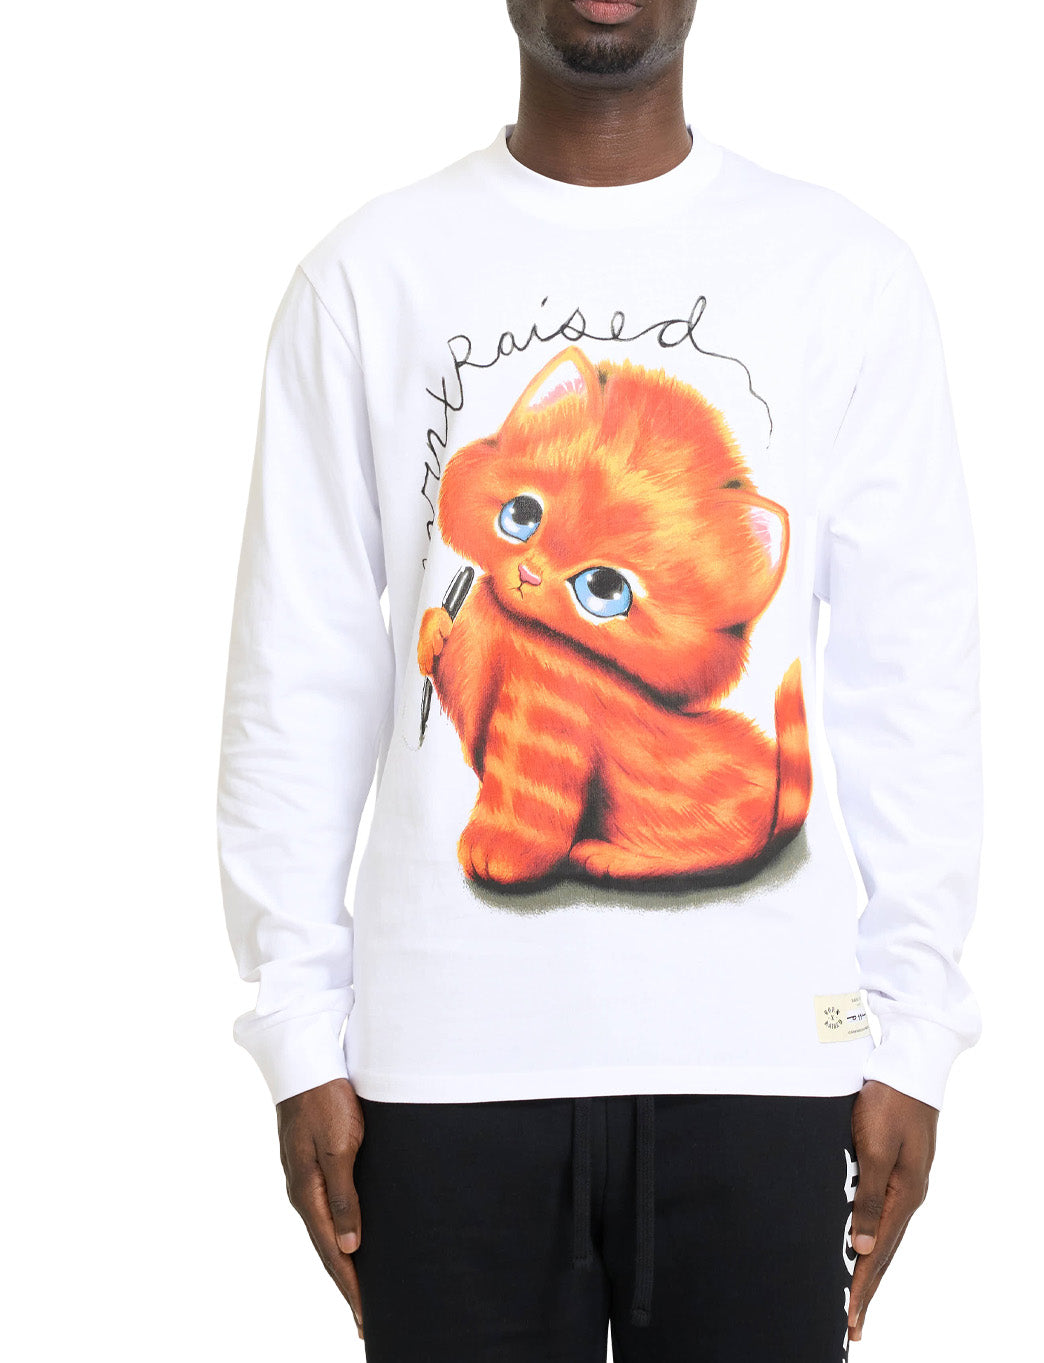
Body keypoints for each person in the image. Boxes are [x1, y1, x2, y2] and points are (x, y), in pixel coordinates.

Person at [216, 1, 984, 1358]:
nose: (532, 575)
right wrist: (298, 1025)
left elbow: (912, 676)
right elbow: (299, 671)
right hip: (441, 1067)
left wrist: (911, 1028)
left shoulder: (845, 275)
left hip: (768, 1059)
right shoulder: (369, 276)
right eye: (521, 524)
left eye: (603, 587)